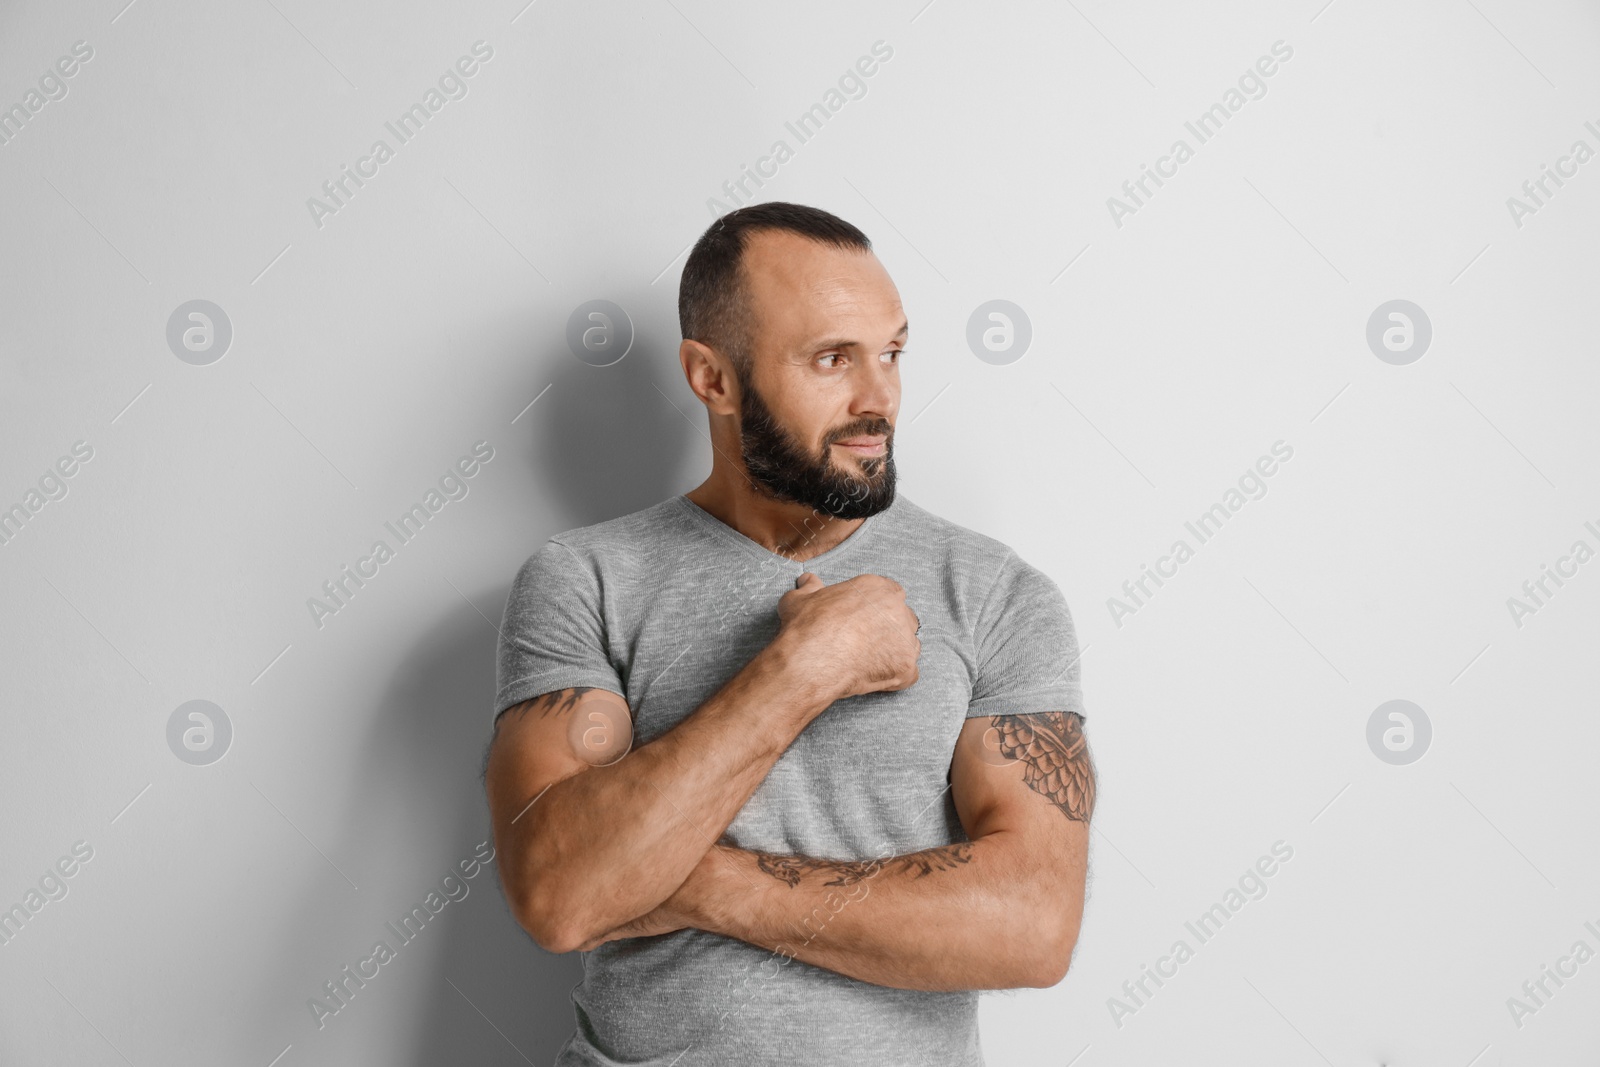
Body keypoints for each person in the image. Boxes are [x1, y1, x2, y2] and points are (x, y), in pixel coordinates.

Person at [483, 201, 1097, 1066]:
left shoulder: (996, 594)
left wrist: (688, 881)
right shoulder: (585, 578)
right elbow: (558, 894)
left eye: (892, 352)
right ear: (713, 378)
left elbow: (1033, 926)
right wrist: (803, 668)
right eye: (832, 358)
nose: (878, 397)